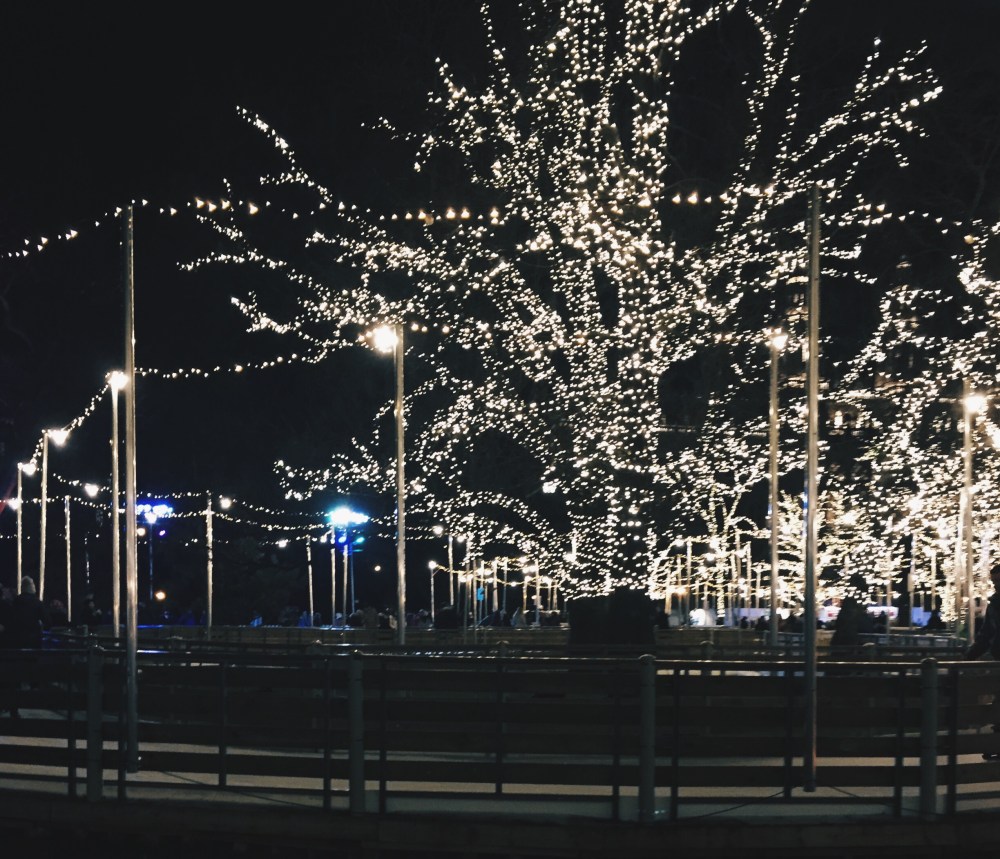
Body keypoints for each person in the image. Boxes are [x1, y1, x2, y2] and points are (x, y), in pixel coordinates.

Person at [965, 563, 1000, 761]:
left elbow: (987, 635)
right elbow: (987, 634)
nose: (996, 585)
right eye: (994, 581)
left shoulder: (995, 604)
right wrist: (971, 654)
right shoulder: (994, 604)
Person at [10, 576, 50, 648]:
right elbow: (46, 619)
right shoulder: (36, 602)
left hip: (18, 637)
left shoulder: (16, 601)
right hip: (34, 637)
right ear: (31, 586)